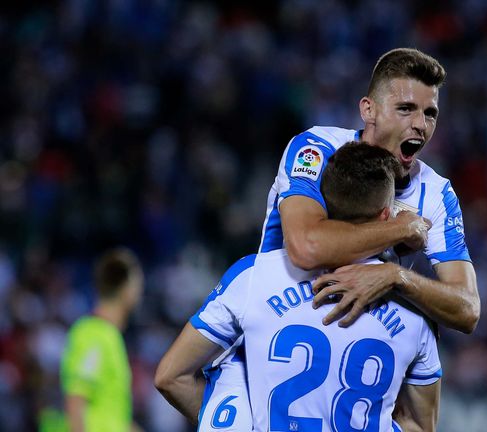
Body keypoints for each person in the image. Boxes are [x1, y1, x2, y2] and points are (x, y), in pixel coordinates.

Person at [195, 47, 480, 430]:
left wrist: (397, 277)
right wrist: (401, 228)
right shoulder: (318, 150)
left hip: (352, 378)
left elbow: (467, 309)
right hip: (274, 356)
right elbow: (306, 246)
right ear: (368, 110)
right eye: (406, 109)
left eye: (430, 113)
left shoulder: (437, 194)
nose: (421, 125)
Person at [155, 142, 442, 432]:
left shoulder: (253, 276)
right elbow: (419, 424)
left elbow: (171, 377)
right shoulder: (414, 306)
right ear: (385, 216)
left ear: (323, 208)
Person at [60, 248, 145, 432]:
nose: (140, 292)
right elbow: (75, 401)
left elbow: (113, 417)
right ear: (126, 287)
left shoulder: (110, 336)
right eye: (138, 284)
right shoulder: (93, 334)